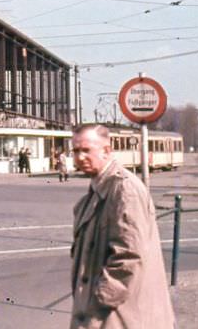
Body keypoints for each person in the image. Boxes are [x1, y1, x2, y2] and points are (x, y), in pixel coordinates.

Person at [70, 124, 174, 328]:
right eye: (75, 151)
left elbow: (129, 257)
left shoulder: (124, 190)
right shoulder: (96, 191)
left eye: (86, 150)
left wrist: (95, 305)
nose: (80, 157)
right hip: (109, 315)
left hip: (119, 317)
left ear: (106, 151)